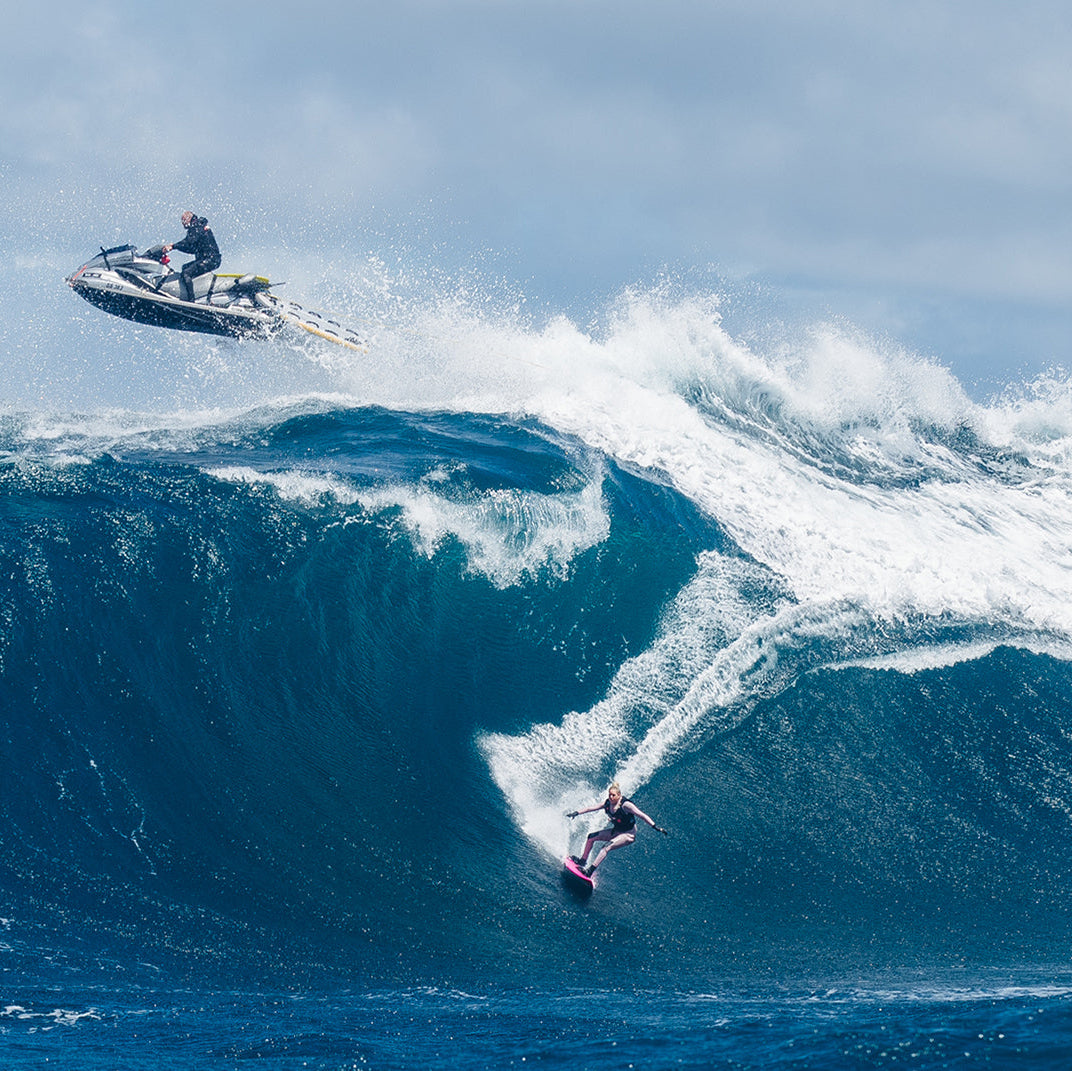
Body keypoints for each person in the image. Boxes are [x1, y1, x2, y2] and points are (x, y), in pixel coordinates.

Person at [565, 782, 668, 876]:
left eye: (613, 795)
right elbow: (591, 808)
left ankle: (589, 871)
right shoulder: (607, 804)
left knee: (606, 847)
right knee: (591, 837)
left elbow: (642, 815)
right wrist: (577, 813)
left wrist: (655, 826)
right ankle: (583, 861)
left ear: (619, 795)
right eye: (609, 794)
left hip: (628, 835)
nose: (611, 797)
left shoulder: (626, 805)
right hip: (616, 831)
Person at [163, 210, 221, 301]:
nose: (183, 224)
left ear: (188, 218)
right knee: (185, 267)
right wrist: (176, 247)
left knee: (186, 272)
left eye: (183, 221)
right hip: (209, 259)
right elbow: (190, 249)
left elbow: (188, 243)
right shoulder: (197, 227)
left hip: (211, 260)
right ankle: (199, 293)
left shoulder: (196, 226)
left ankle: (191, 300)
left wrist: (173, 246)